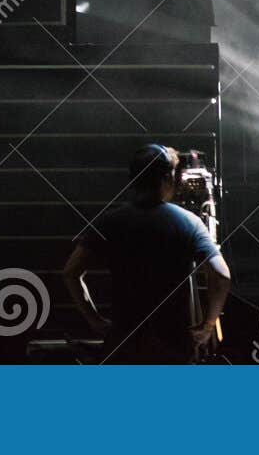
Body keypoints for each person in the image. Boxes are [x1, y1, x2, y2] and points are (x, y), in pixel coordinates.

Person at [63, 144, 231, 362]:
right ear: (167, 178)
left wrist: (94, 320)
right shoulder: (189, 223)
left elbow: (71, 272)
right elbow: (221, 276)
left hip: (124, 344)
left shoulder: (109, 222)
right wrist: (207, 326)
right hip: (174, 346)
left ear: (133, 180)